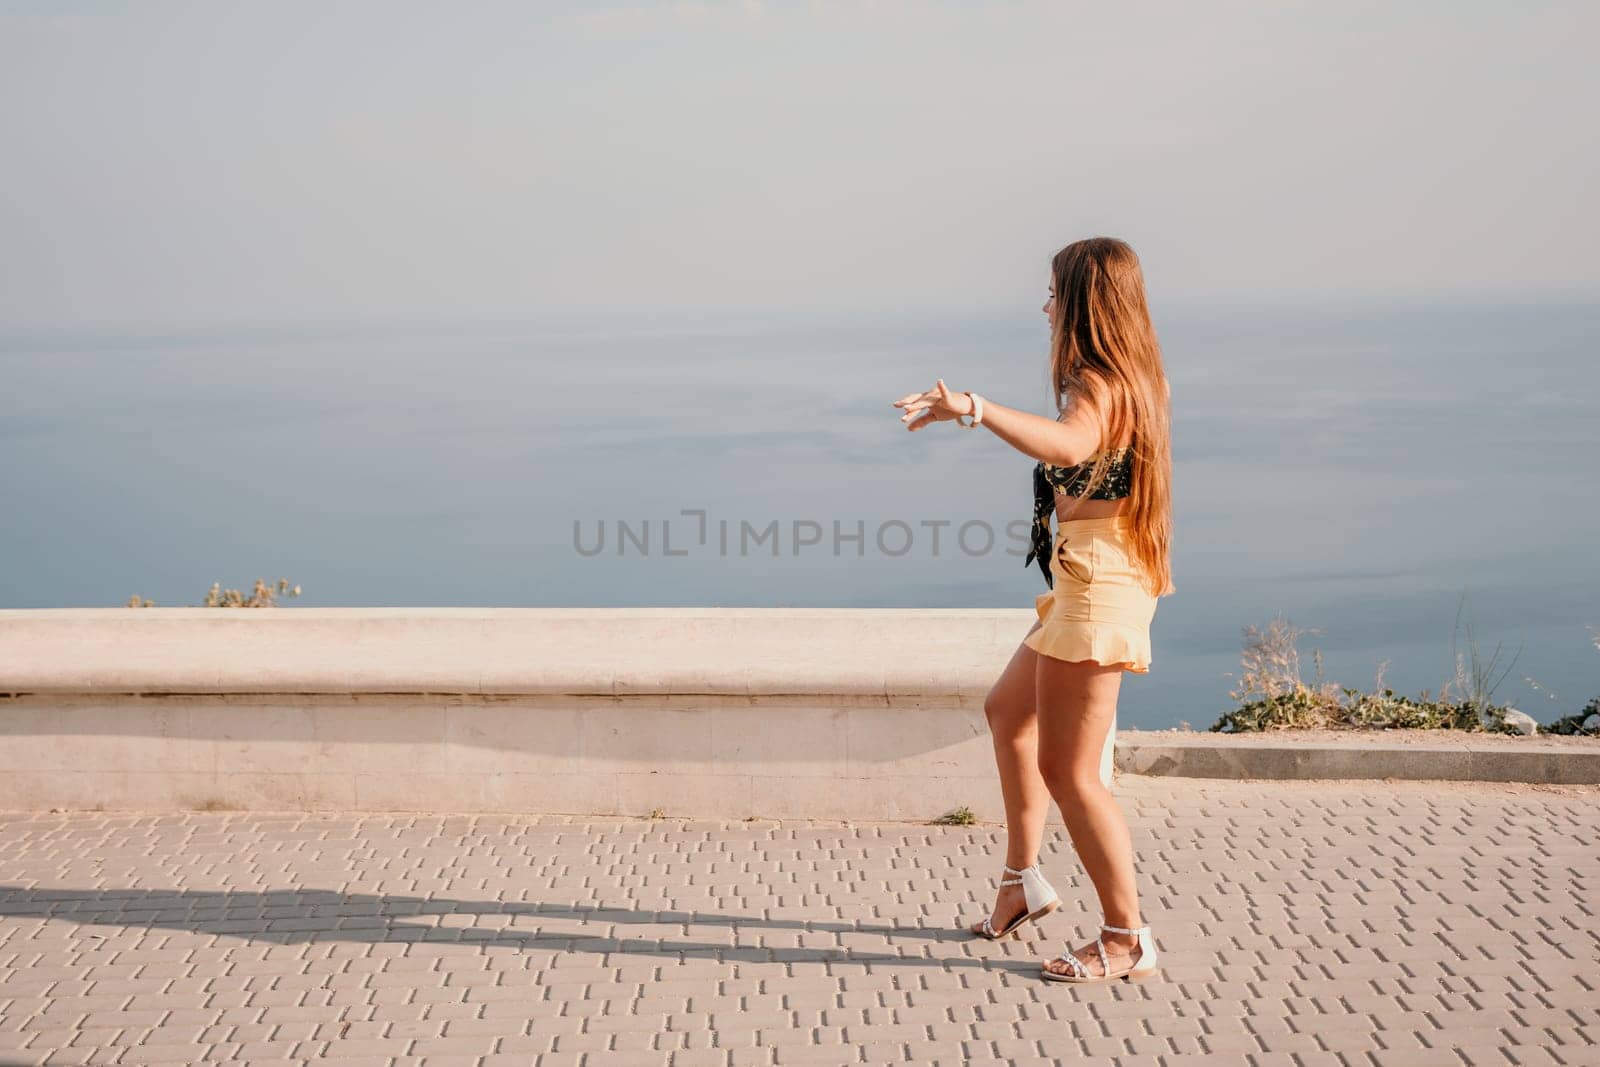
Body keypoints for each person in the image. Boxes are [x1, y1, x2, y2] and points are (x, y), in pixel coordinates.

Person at [890, 236, 1174, 984]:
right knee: (1008, 710)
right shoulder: (1130, 375)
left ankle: (1126, 934)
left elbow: (1073, 441)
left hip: (1098, 584)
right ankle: (1022, 882)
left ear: (1083, 300)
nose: (1045, 306)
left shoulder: (1096, 384)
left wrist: (976, 409)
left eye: (1054, 292)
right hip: (1091, 572)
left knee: (1071, 770)